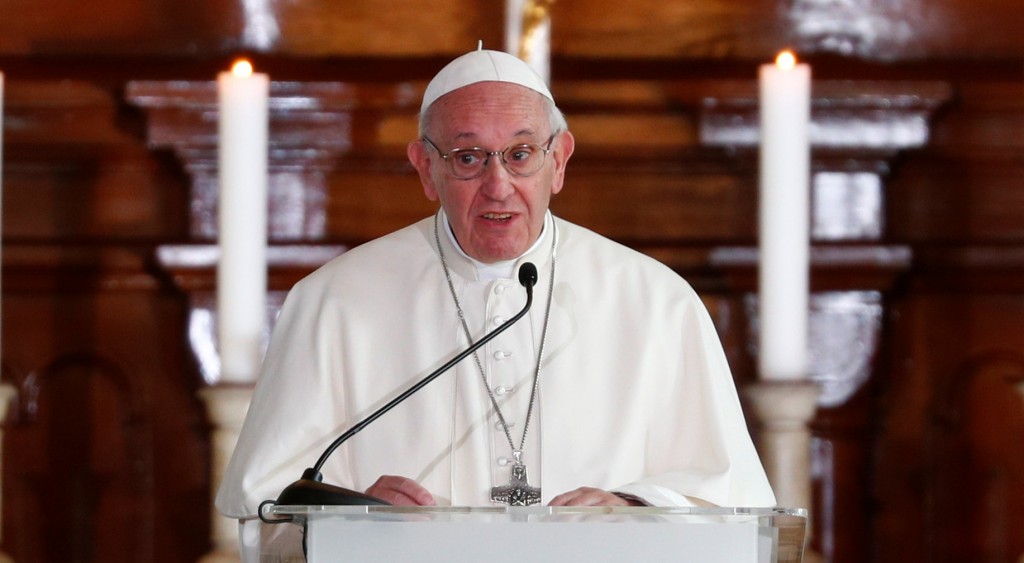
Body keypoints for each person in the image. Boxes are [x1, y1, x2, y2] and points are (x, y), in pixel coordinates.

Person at [216, 46, 775, 556]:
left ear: (559, 161)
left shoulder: (657, 302)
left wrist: (634, 510)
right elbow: (264, 519)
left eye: (521, 153)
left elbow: (733, 516)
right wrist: (348, 516)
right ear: (425, 168)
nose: (498, 183)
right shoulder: (333, 302)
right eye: (467, 157)